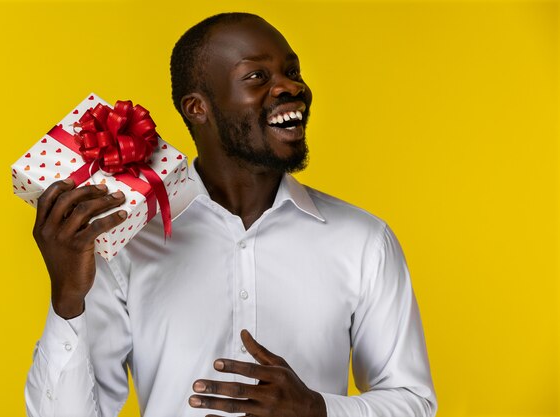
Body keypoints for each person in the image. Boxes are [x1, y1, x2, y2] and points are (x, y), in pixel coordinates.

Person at [25, 12, 437, 417]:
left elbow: (413, 402)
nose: (291, 87)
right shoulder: (130, 242)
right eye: (258, 77)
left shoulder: (363, 241)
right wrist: (67, 298)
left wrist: (317, 410)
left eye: (292, 71)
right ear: (197, 108)